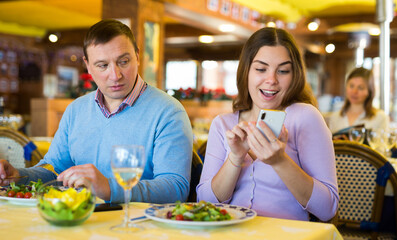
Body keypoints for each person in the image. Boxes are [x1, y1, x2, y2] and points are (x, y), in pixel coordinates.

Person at [0, 19, 193, 204]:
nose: (115, 75)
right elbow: (54, 171)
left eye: (123, 62)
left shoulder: (169, 112)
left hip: (139, 227)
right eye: (103, 65)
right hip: (79, 221)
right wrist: (19, 176)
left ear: (137, 56)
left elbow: (175, 189)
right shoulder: (76, 110)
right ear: (88, 65)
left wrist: (109, 188)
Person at [196, 27, 339, 221]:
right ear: (246, 71)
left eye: (283, 71)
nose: (271, 80)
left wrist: (280, 161)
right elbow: (204, 205)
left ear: (294, 75)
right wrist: (235, 158)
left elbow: (328, 208)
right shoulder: (223, 124)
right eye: (261, 69)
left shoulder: (305, 117)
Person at [328, 67, 389, 134]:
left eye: (360, 88)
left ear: (369, 91)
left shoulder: (380, 118)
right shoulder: (335, 117)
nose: (354, 91)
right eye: (351, 86)